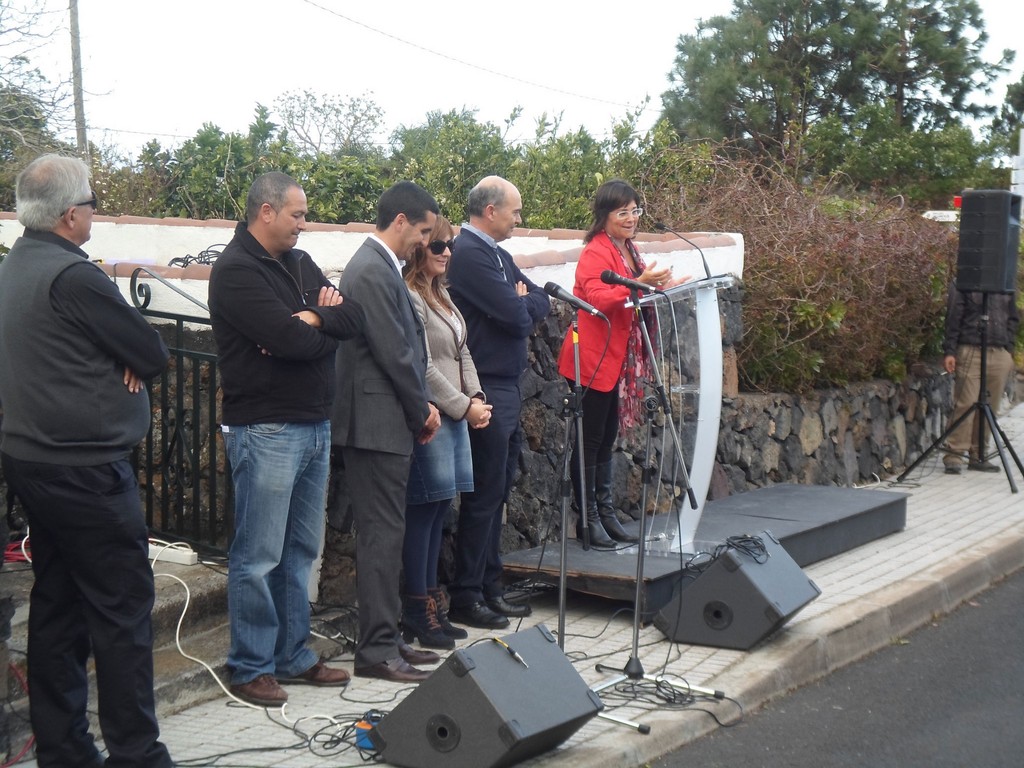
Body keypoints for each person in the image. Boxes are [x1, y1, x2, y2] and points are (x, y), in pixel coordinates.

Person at [0, 153, 174, 768]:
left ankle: (65, 749)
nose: (95, 212)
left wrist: (115, 354)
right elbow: (151, 353)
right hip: (85, 469)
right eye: (93, 203)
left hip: (32, 459)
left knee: (59, 603)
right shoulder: (74, 276)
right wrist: (123, 357)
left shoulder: (15, 265)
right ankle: (137, 754)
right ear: (71, 215)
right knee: (121, 609)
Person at [209, 171, 364, 707]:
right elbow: (285, 339)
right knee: (259, 555)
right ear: (267, 212)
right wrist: (321, 327)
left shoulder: (299, 263)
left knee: (300, 551)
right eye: (297, 214)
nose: (304, 224)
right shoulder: (235, 270)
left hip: (313, 423)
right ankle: (250, 666)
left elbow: (353, 319)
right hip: (267, 428)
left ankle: (292, 655)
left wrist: (315, 319)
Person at [332, 181, 443, 683]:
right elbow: (394, 352)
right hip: (375, 425)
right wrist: (422, 410)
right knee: (381, 537)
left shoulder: (380, 267)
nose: (424, 242)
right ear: (400, 221)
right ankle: (376, 649)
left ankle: (388, 635)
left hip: (383, 422)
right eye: (422, 231)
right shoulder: (372, 269)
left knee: (388, 534)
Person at [557, 179, 687, 547]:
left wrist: (665, 286)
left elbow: (635, 291)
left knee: (606, 439)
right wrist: (639, 283)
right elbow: (598, 297)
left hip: (615, 361)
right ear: (604, 215)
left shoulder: (629, 249)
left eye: (635, 210)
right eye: (622, 212)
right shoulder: (595, 252)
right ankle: (588, 520)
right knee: (590, 441)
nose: (631, 218)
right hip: (591, 359)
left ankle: (606, 512)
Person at [446, 176, 550, 629]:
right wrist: (522, 306)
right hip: (484, 384)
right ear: (490, 211)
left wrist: (525, 304)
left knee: (498, 490)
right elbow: (516, 315)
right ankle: (467, 594)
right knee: (484, 493)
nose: (519, 219)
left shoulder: (499, 255)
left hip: (507, 384)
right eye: (515, 211)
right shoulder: (468, 254)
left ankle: (490, 586)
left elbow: (539, 297)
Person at [401, 216, 492, 649]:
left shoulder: (442, 294)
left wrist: (476, 396)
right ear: (419, 249)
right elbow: (422, 365)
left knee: (440, 511)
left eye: (449, 245)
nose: (446, 253)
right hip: (433, 416)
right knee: (423, 511)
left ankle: (432, 604)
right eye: (437, 245)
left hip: (455, 414)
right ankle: (417, 609)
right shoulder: (411, 295)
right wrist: (462, 406)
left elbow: (462, 351)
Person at [941, 285, 1019, 474]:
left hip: (999, 351)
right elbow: (953, 319)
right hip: (970, 349)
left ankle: (979, 454)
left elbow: (1013, 318)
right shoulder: (964, 282)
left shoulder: (1005, 283)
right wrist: (950, 351)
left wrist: (1008, 347)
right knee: (965, 403)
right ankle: (954, 454)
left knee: (990, 406)